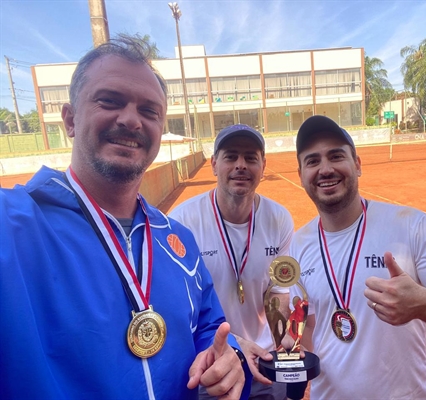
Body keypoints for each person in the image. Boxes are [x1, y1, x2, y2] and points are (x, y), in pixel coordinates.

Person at [0, 36, 251, 400]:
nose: (131, 120)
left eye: (149, 111)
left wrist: (228, 361)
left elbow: (210, 329)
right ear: (69, 120)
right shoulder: (14, 224)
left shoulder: (176, 239)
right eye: (110, 101)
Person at [290, 115, 426, 399]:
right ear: (301, 174)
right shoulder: (298, 244)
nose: (325, 169)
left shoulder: (410, 226)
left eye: (336, 156)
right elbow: (311, 325)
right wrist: (293, 357)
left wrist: (424, 303)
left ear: (358, 164)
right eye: (312, 161)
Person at [169, 124, 294, 399]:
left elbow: (277, 290)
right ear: (214, 164)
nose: (241, 165)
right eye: (231, 156)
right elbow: (181, 307)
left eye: (251, 157)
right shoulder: (182, 223)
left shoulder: (280, 219)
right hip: (212, 366)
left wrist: (279, 333)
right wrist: (236, 344)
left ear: (263, 165)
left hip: (264, 361)